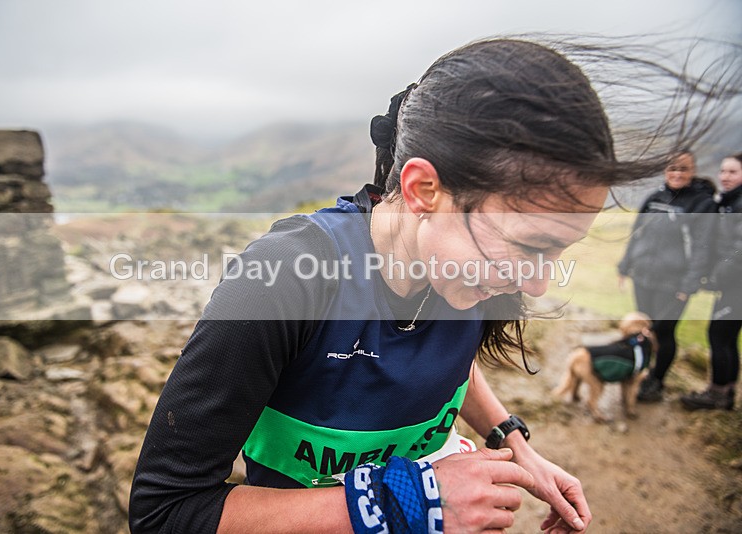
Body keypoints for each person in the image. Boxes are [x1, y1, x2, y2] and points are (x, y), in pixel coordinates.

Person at [129, 38, 731, 534]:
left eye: (558, 252)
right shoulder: (282, 284)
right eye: (528, 246)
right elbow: (165, 511)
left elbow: (442, 354)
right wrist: (403, 500)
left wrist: (512, 443)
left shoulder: (456, 267)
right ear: (422, 190)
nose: (539, 285)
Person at [617, 151, 715, 402]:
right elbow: (637, 233)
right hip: (644, 278)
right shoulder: (654, 198)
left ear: (692, 172)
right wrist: (624, 267)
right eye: (672, 168)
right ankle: (642, 372)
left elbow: (703, 247)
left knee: (665, 331)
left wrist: (690, 283)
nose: (677, 174)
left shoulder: (702, 204)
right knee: (646, 329)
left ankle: (657, 381)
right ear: (665, 170)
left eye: (683, 169)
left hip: (674, 284)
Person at [681, 153, 742, 411]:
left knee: (717, 335)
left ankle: (716, 395)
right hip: (733, 284)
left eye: (732, 172)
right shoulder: (730, 202)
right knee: (728, 338)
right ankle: (726, 393)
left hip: (736, 285)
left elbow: (738, 250)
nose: (725, 177)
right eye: (723, 171)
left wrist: (715, 277)